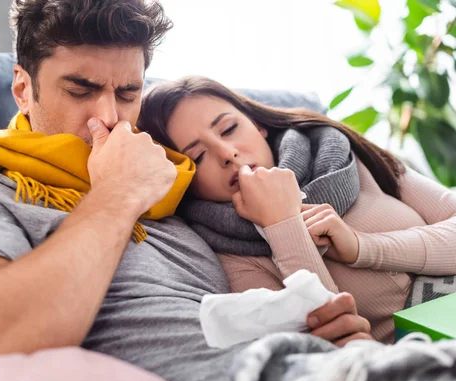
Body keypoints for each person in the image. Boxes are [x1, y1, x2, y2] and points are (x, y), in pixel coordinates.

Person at [0, 1, 373, 381]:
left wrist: (317, 323)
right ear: (23, 88)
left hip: (319, 367)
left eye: (128, 93)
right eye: (81, 90)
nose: (110, 116)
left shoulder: (171, 179)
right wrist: (117, 192)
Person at [138, 76, 456, 344]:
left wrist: (362, 247)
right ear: (186, 180)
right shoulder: (233, 260)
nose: (227, 153)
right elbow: (339, 346)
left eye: (228, 129)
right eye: (198, 156)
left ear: (258, 124)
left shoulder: (334, 149)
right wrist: (282, 224)